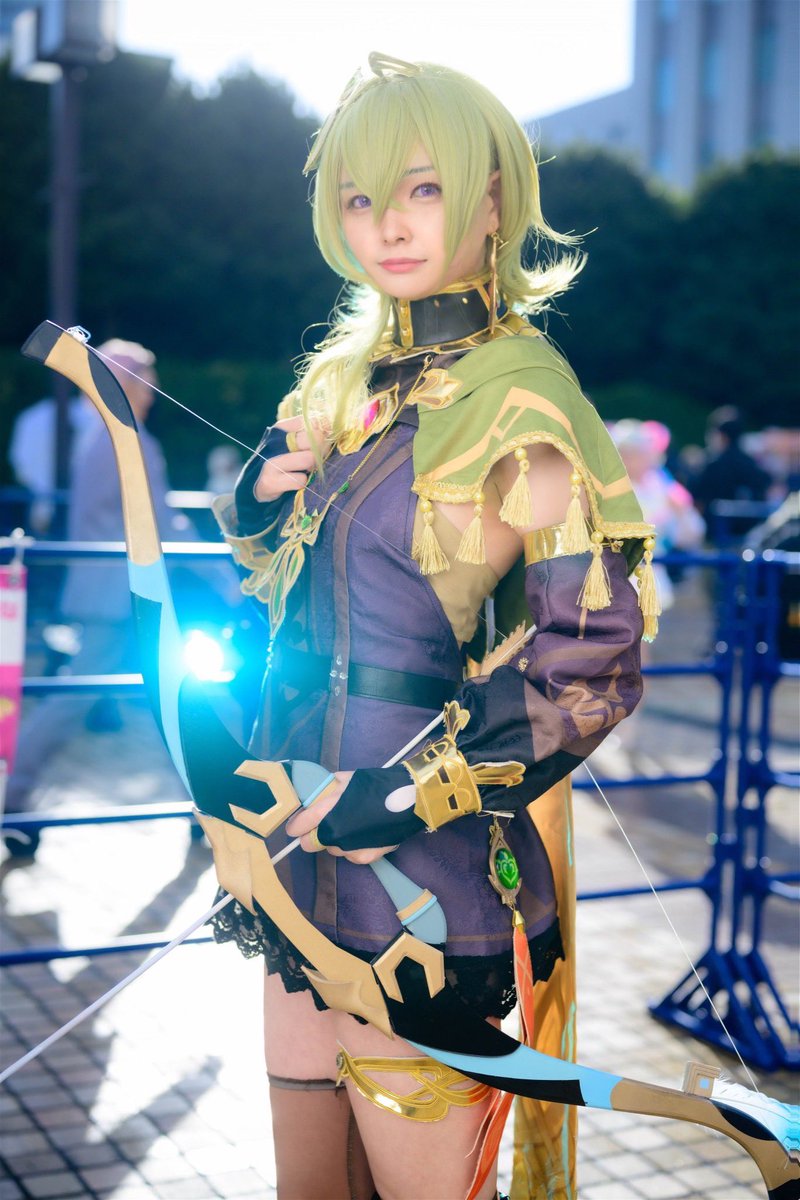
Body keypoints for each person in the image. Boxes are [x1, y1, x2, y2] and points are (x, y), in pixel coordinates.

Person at [211, 54, 653, 1200]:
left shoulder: (522, 395)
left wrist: (405, 796)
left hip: (421, 880)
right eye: (360, 197)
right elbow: (285, 615)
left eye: (421, 189)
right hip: (291, 856)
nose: (388, 226)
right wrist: (254, 519)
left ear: (492, 200)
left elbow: (589, 660)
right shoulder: (343, 388)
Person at [4, 340, 196, 852]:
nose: (153, 394)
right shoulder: (125, 440)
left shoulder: (103, 438)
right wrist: (225, 572)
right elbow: (161, 521)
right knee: (146, 698)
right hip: (122, 594)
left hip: (110, 590)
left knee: (164, 698)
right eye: (145, 383)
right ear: (125, 386)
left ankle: (205, 806)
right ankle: (13, 797)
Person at [690, 405, 772, 544]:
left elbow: (697, 502)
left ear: (721, 435)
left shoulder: (711, 466)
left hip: (714, 540)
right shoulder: (752, 465)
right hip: (751, 539)